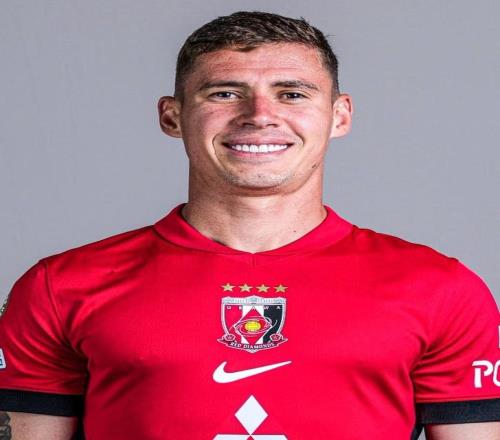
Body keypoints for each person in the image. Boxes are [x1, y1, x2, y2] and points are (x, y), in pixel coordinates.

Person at [0, 10, 499, 440]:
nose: (259, 116)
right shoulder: (58, 287)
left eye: (292, 94)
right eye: (224, 92)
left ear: (339, 116)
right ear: (172, 116)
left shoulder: (440, 289)